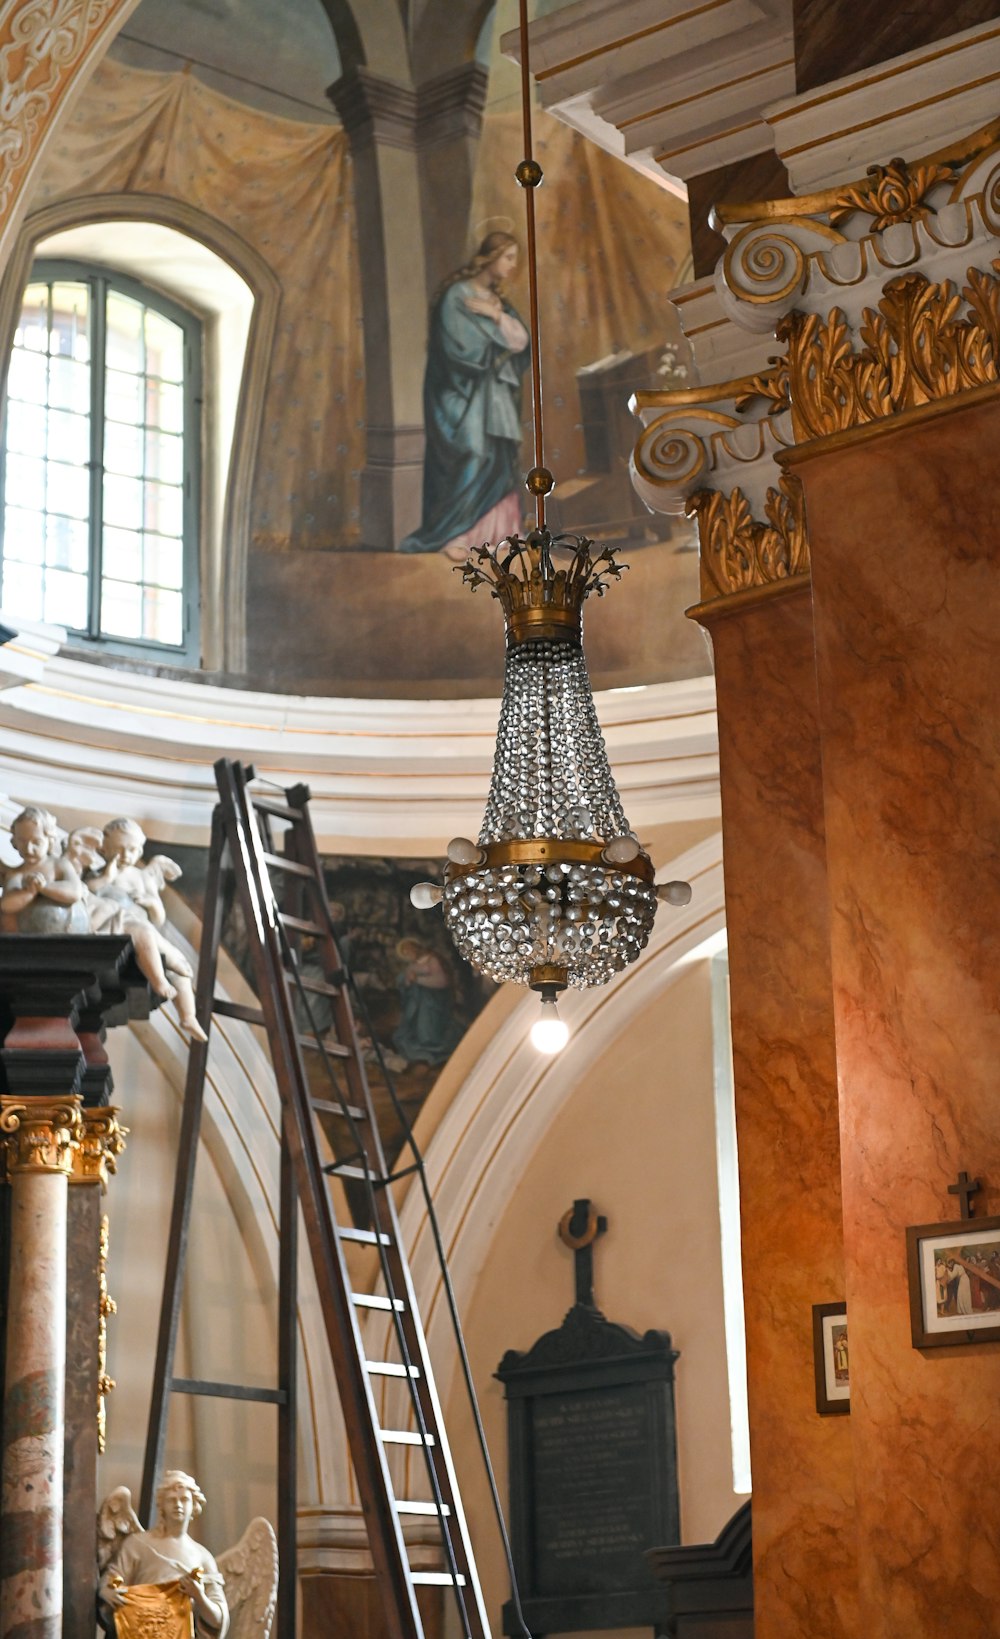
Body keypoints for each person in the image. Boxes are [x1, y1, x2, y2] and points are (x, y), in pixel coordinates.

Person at [399, 231, 530, 560]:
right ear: (491, 257)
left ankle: (501, 533)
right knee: (471, 452)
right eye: (509, 257)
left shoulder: (498, 303)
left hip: (494, 395)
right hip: (461, 393)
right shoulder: (457, 295)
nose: (514, 265)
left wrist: (496, 317)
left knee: (498, 457)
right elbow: (456, 346)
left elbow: (521, 342)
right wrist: (490, 340)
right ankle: (456, 534)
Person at [99, 1470, 228, 1636]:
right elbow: (111, 1578)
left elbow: (218, 1620)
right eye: (171, 1500)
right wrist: (106, 1591)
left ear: (194, 1505)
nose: (178, 1505)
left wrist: (200, 1597)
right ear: (161, 1505)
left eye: (184, 1499)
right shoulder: (138, 1544)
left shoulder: (203, 1557)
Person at [0, 805, 90, 933]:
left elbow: (74, 892)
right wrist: (29, 892)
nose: (29, 848)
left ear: (50, 841)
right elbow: (6, 905)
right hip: (25, 940)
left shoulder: (59, 865)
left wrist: (43, 887)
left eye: (36, 842)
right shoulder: (16, 874)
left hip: (67, 934)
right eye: (22, 841)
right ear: (14, 842)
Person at [392, 938, 465, 1066]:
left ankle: (439, 1050)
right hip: (419, 1004)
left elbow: (442, 981)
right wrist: (407, 982)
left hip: (435, 1002)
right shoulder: (412, 966)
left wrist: (417, 981)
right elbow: (403, 982)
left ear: (416, 947)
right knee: (420, 1030)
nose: (409, 953)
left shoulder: (432, 960)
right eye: (405, 953)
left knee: (429, 1032)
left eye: (410, 949)